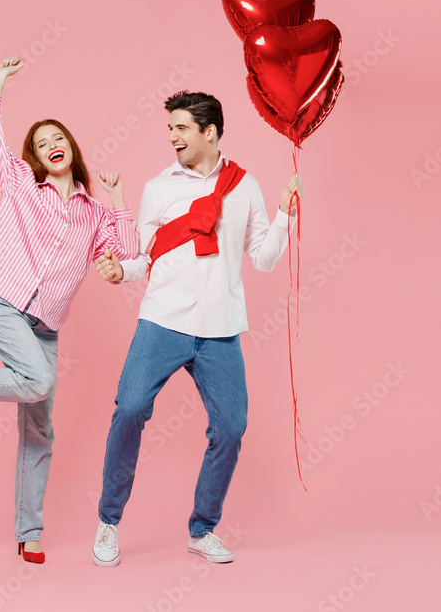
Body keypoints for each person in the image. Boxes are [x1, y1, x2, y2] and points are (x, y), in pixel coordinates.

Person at [0, 57, 139, 565]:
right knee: (38, 382)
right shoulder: (19, 183)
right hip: (4, 306)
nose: (51, 145)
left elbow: (124, 254)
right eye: (40, 143)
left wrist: (120, 199)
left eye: (58, 138)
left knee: (39, 430)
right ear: (33, 157)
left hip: (46, 327)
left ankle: (28, 533)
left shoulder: (94, 212)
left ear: (71, 148)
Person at [90, 90, 303, 567]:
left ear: (210, 132)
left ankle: (202, 529)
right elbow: (143, 257)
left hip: (220, 326)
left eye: (181, 128)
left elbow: (265, 260)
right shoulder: (158, 188)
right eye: (170, 129)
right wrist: (118, 271)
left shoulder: (243, 186)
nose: (172, 137)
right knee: (130, 410)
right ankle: (108, 521)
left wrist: (287, 210)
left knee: (231, 427)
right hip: (163, 319)